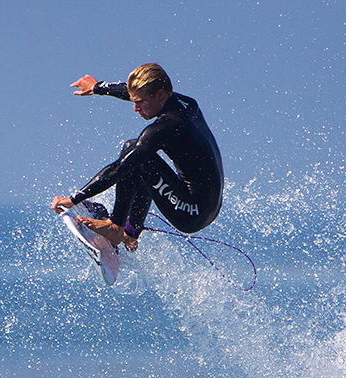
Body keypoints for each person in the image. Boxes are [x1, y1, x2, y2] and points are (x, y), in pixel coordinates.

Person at [50, 63, 223, 253]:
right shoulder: (185, 103)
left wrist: (74, 199)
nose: (134, 108)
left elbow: (119, 169)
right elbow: (132, 91)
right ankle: (130, 233)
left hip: (192, 213)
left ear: (160, 95)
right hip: (210, 205)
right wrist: (97, 87)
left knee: (134, 154)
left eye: (139, 102)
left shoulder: (168, 125)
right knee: (138, 155)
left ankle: (115, 227)